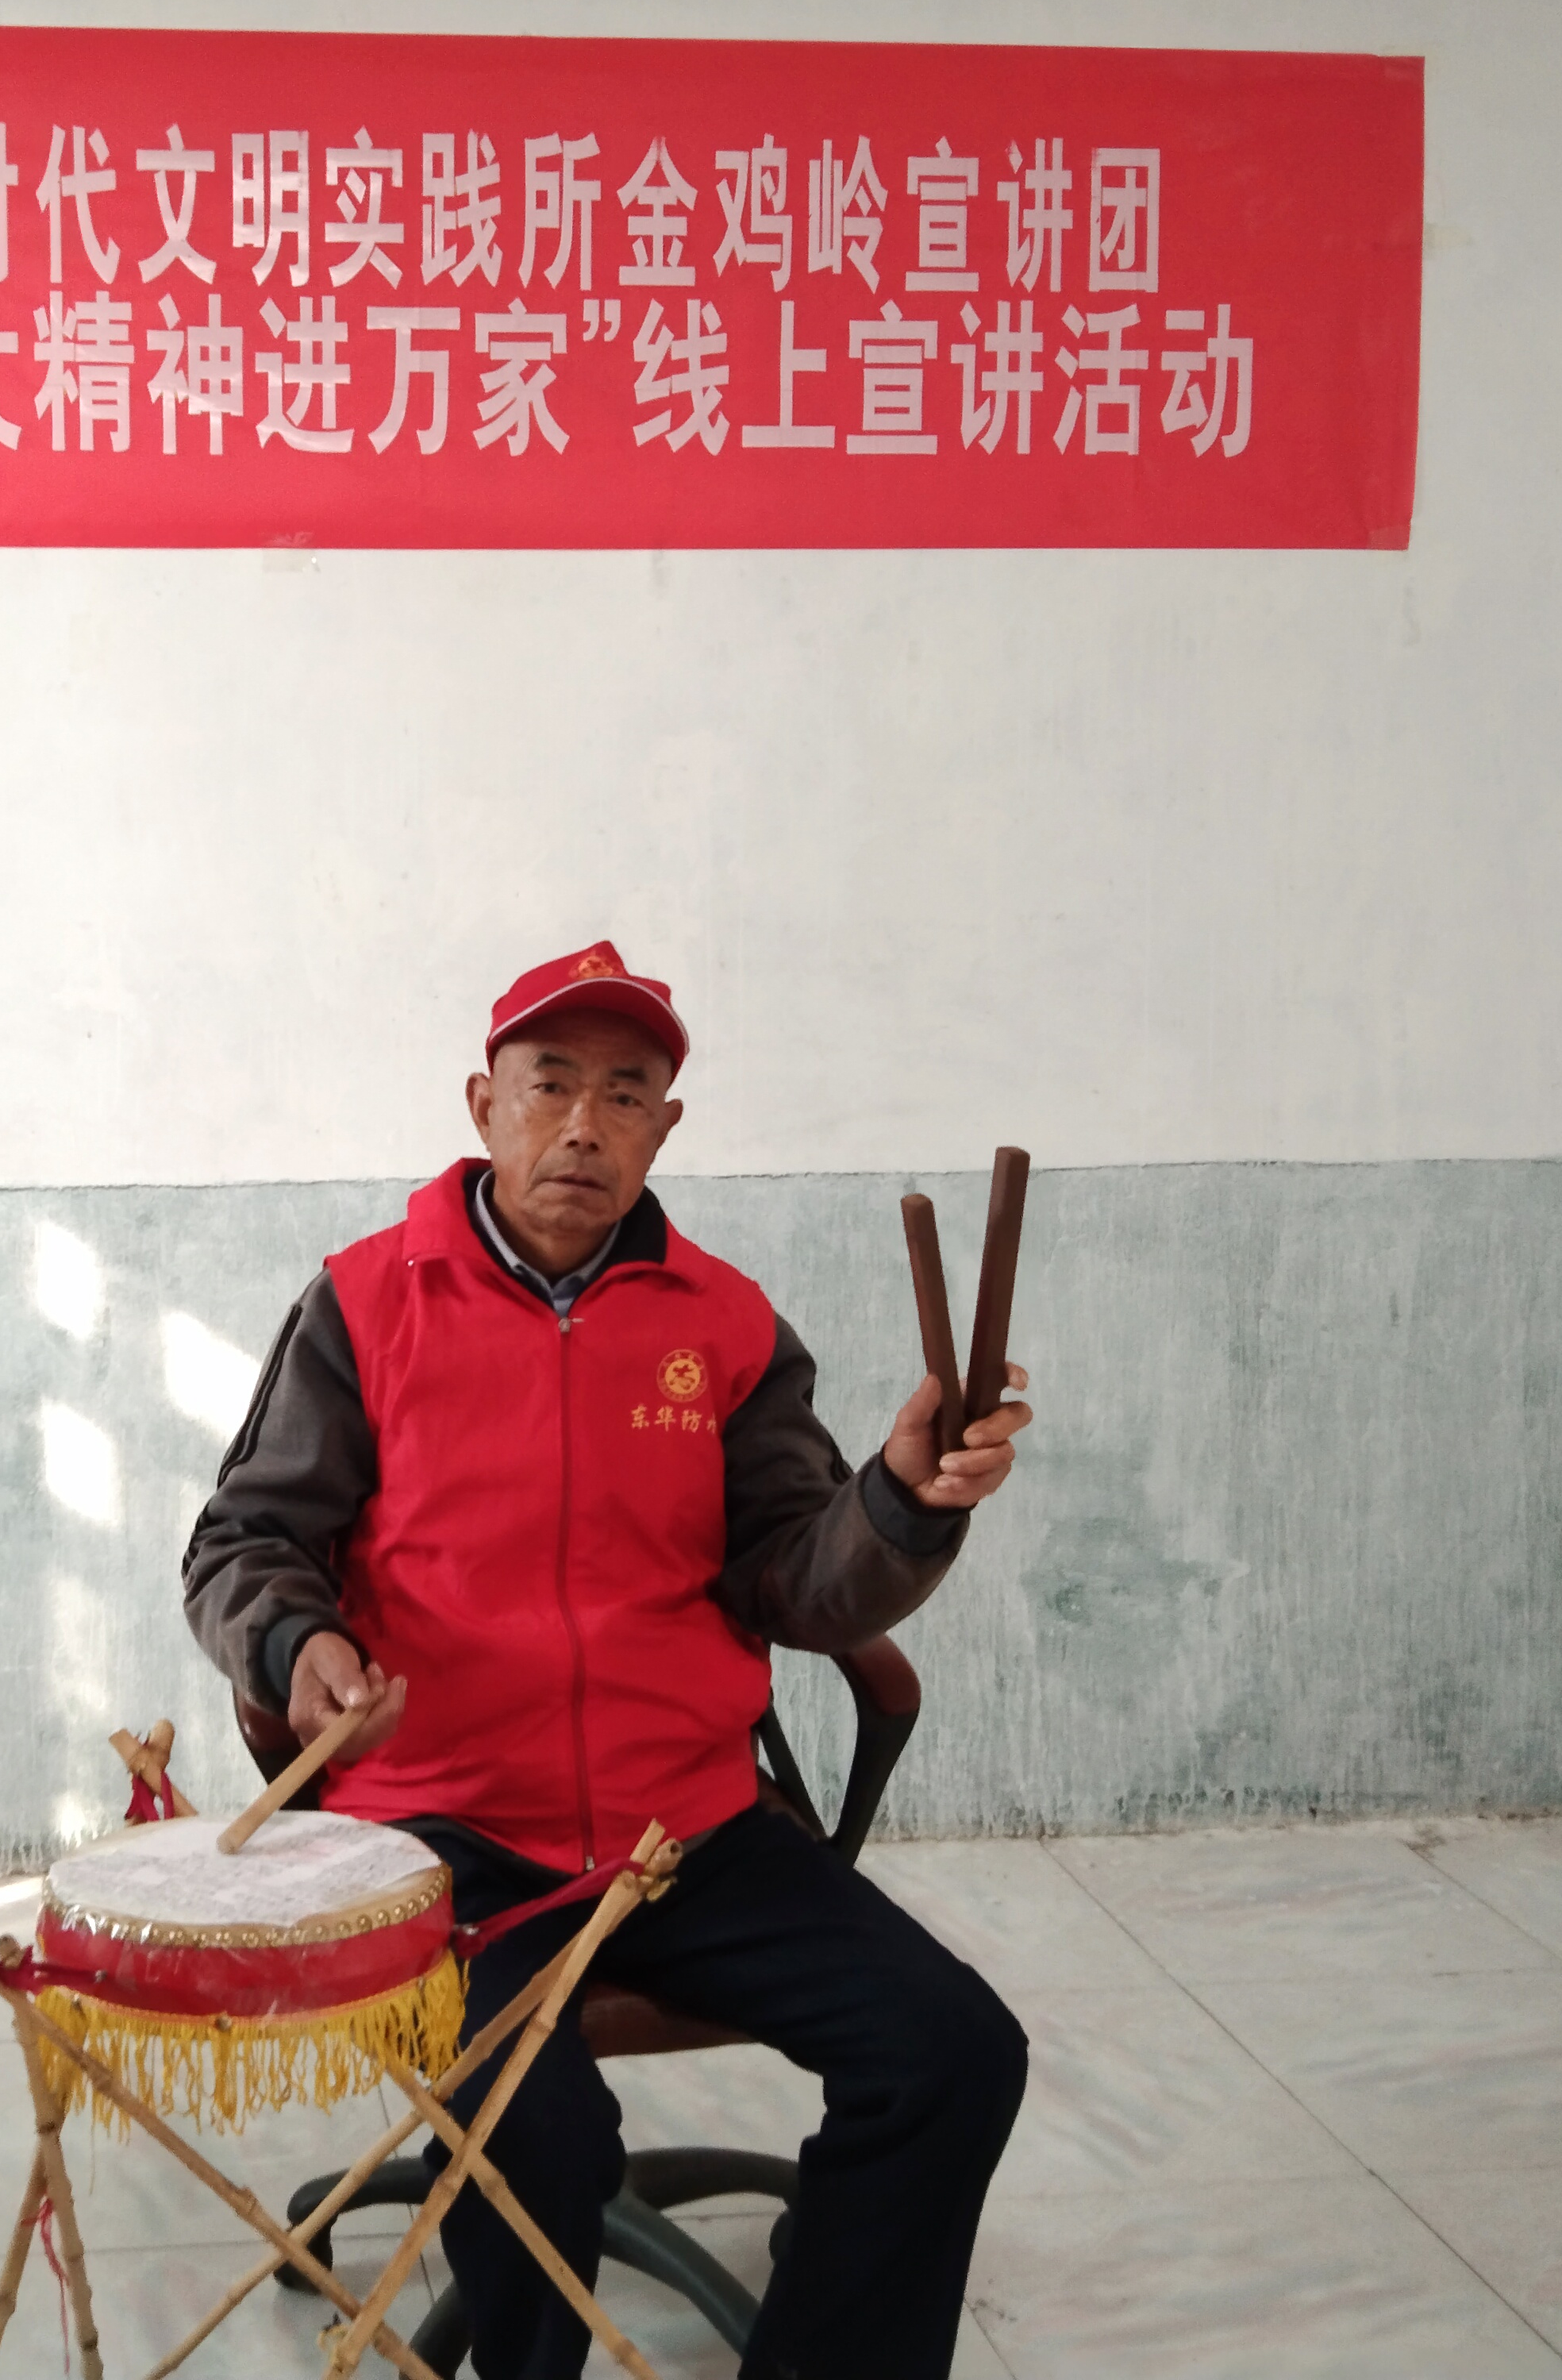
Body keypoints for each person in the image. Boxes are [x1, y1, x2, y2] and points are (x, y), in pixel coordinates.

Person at [180, 942, 1032, 2380]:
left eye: (626, 1094)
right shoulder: (367, 1303)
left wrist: (898, 1499)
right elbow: (242, 1539)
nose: (584, 1123)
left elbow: (799, 1576)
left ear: (664, 1128)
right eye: (550, 1084)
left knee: (953, 2052)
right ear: (484, 1103)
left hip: (684, 1824)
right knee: (541, 2136)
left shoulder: (727, 1325)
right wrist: (299, 1639)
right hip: (444, 1837)